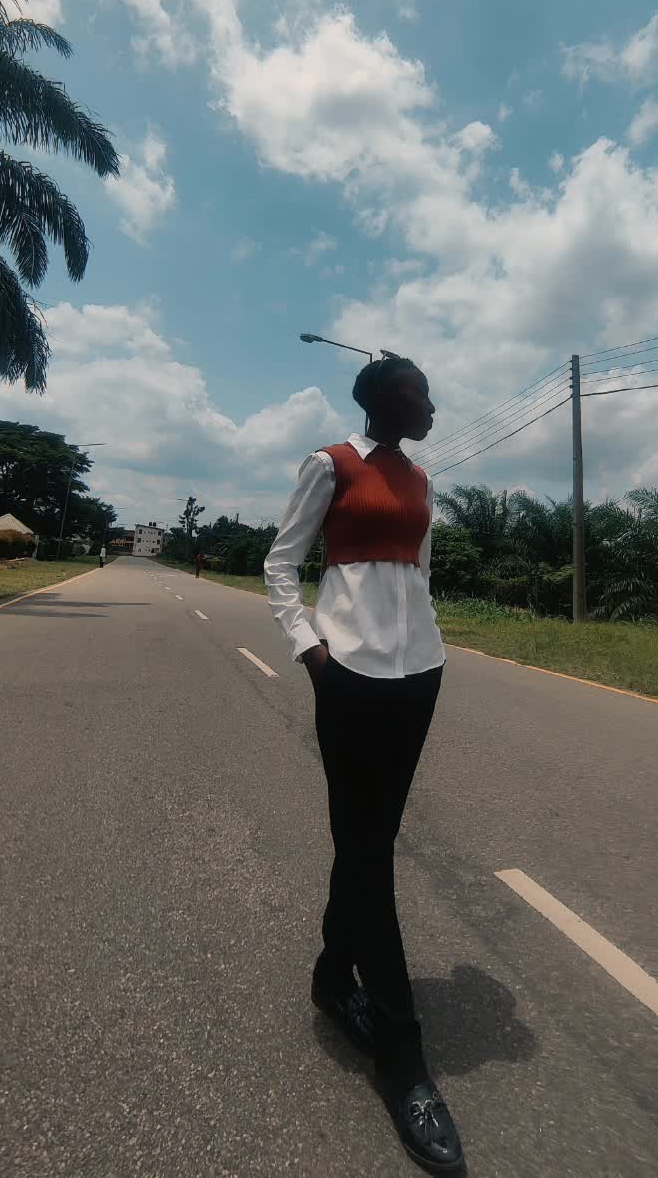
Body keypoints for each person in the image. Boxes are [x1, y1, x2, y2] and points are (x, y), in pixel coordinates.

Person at [264, 354, 463, 1173]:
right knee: (370, 851)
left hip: (420, 675)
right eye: (420, 393)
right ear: (383, 399)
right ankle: (401, 1056)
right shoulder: (332, 464)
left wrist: (430, 643)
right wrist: (312, 652)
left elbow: (418, 574)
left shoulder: (421, 480)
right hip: (348, 673)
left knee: (369, 842)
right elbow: (280, 563)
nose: (432, 405)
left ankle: (330, 971)